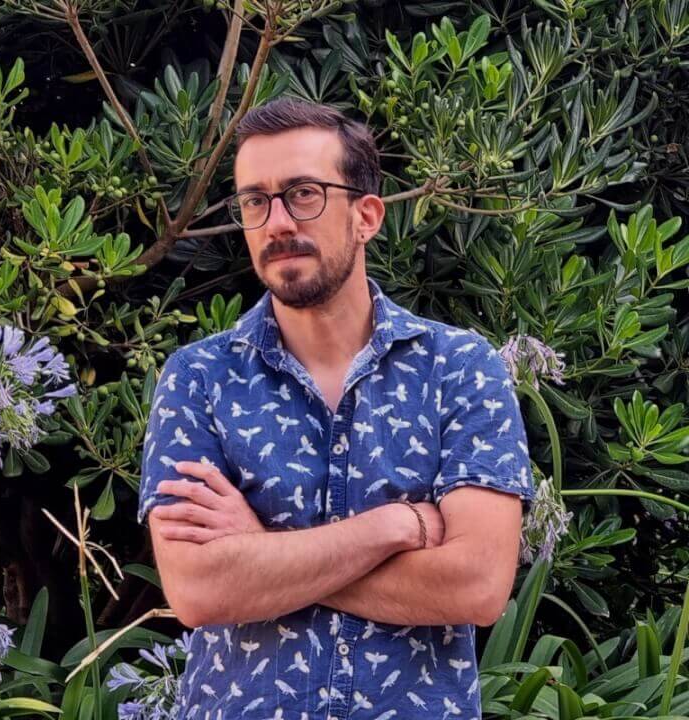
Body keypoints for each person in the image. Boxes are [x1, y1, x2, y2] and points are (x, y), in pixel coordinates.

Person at [138, 97, 535, 720]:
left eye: (303, 194)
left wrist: (261, 552)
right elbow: (199, 589)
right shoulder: (198, 379)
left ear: (366, 216)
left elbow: (477, 585)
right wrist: (392, 528)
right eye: (255, 201)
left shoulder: (460, 369)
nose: (276, 222)